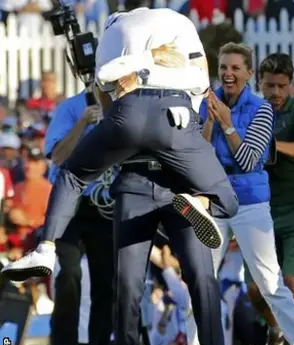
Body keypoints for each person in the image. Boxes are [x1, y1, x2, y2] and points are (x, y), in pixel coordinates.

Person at [1, 7, 236, 281]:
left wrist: (142, 66)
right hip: (177, 123)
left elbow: (104, 78)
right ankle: (202, 203)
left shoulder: (121, 36)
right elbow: (199, 86)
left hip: (129, 116)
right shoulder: (181, 35)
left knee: (72, 175)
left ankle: (46, 247)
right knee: (227, 201)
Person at [204, 43, 294, 345]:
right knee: (201, 283)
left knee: (271, 283)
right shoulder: (205, 103)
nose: (228, 73)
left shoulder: (262, 108)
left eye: (235, 68)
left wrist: (226, 124)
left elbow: (250, 159)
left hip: (250, 200)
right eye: (224, 67)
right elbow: (197, 153)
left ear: (249, 73)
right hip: (214, 197)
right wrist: (210, 122)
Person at [234, 53, 294, 345]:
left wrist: (273, 146)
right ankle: (276, 329)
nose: (276, 93)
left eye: (282, 86)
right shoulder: (251, 111)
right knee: (256, 290)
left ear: (290, 84)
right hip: (262, 209)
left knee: (292, 279)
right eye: (270, 85)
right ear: (259, 82)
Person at [44, 91, 115, 345]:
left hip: (104, 205)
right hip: (68, 203)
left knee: (106, 283)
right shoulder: (71, 108)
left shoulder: (124, 107)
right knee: (70, 273)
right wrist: (82, 124)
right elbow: (58, 157)